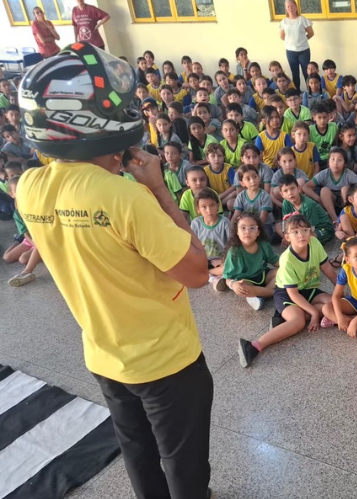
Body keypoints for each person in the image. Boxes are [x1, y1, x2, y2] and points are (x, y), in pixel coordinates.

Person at [15, 43, 213, 498]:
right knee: (182, 460)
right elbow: (198, 270)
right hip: (165, 360)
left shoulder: (28, 186)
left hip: (103, 353)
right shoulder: (125, 197)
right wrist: (159, 189)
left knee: (137, 450)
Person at [238, 213, 337, 367]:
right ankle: (254, 346)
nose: (301, 235)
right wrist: (313, 313)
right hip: (286, 293)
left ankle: (283, 320)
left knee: (334, 302)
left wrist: (339, 290)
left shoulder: (314, 243)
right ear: (287, 237)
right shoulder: (286, 259)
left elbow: (327, 268)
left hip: (308, 288)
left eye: (305, 230)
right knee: (298, 322)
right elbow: (293, 294)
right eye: (295, 232)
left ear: (310, 232)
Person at [222, 211, 279, 310]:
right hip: (246, 280)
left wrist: (289, 265)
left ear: (258, 232)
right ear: (237, 232)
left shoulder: (264, 244)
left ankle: (262, 295)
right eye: (243, 228)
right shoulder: (234, 251)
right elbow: (227, 277)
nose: (247, 232)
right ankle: (273, 293)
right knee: (243, 289)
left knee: (283, 272)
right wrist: (233, 284)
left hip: (263, 275)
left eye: (252, 228)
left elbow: (276, 262)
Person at [3, 176, 42, 287]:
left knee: (23, 259)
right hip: (30, 239)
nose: (21, 193)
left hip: (42, 239)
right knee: (7, 257)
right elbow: (25, 232)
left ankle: (27, 272)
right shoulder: (17, 212)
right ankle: (17, 240)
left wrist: (37, 244)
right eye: (17, 190)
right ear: (11, 194)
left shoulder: (35, 205)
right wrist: (32, 243)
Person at [190, 188, 231, 283]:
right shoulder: (195, 223)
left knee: (230, 267)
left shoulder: (225, 223)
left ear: (218, 206)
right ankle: (215, 277)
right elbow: (193, 245)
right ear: (198, 209)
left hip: (221, 260)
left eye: (212, 205)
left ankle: (210, 275)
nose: (209, 210)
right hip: (203, 261)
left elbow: (232, 245)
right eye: (204, 207)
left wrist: (223, 260)